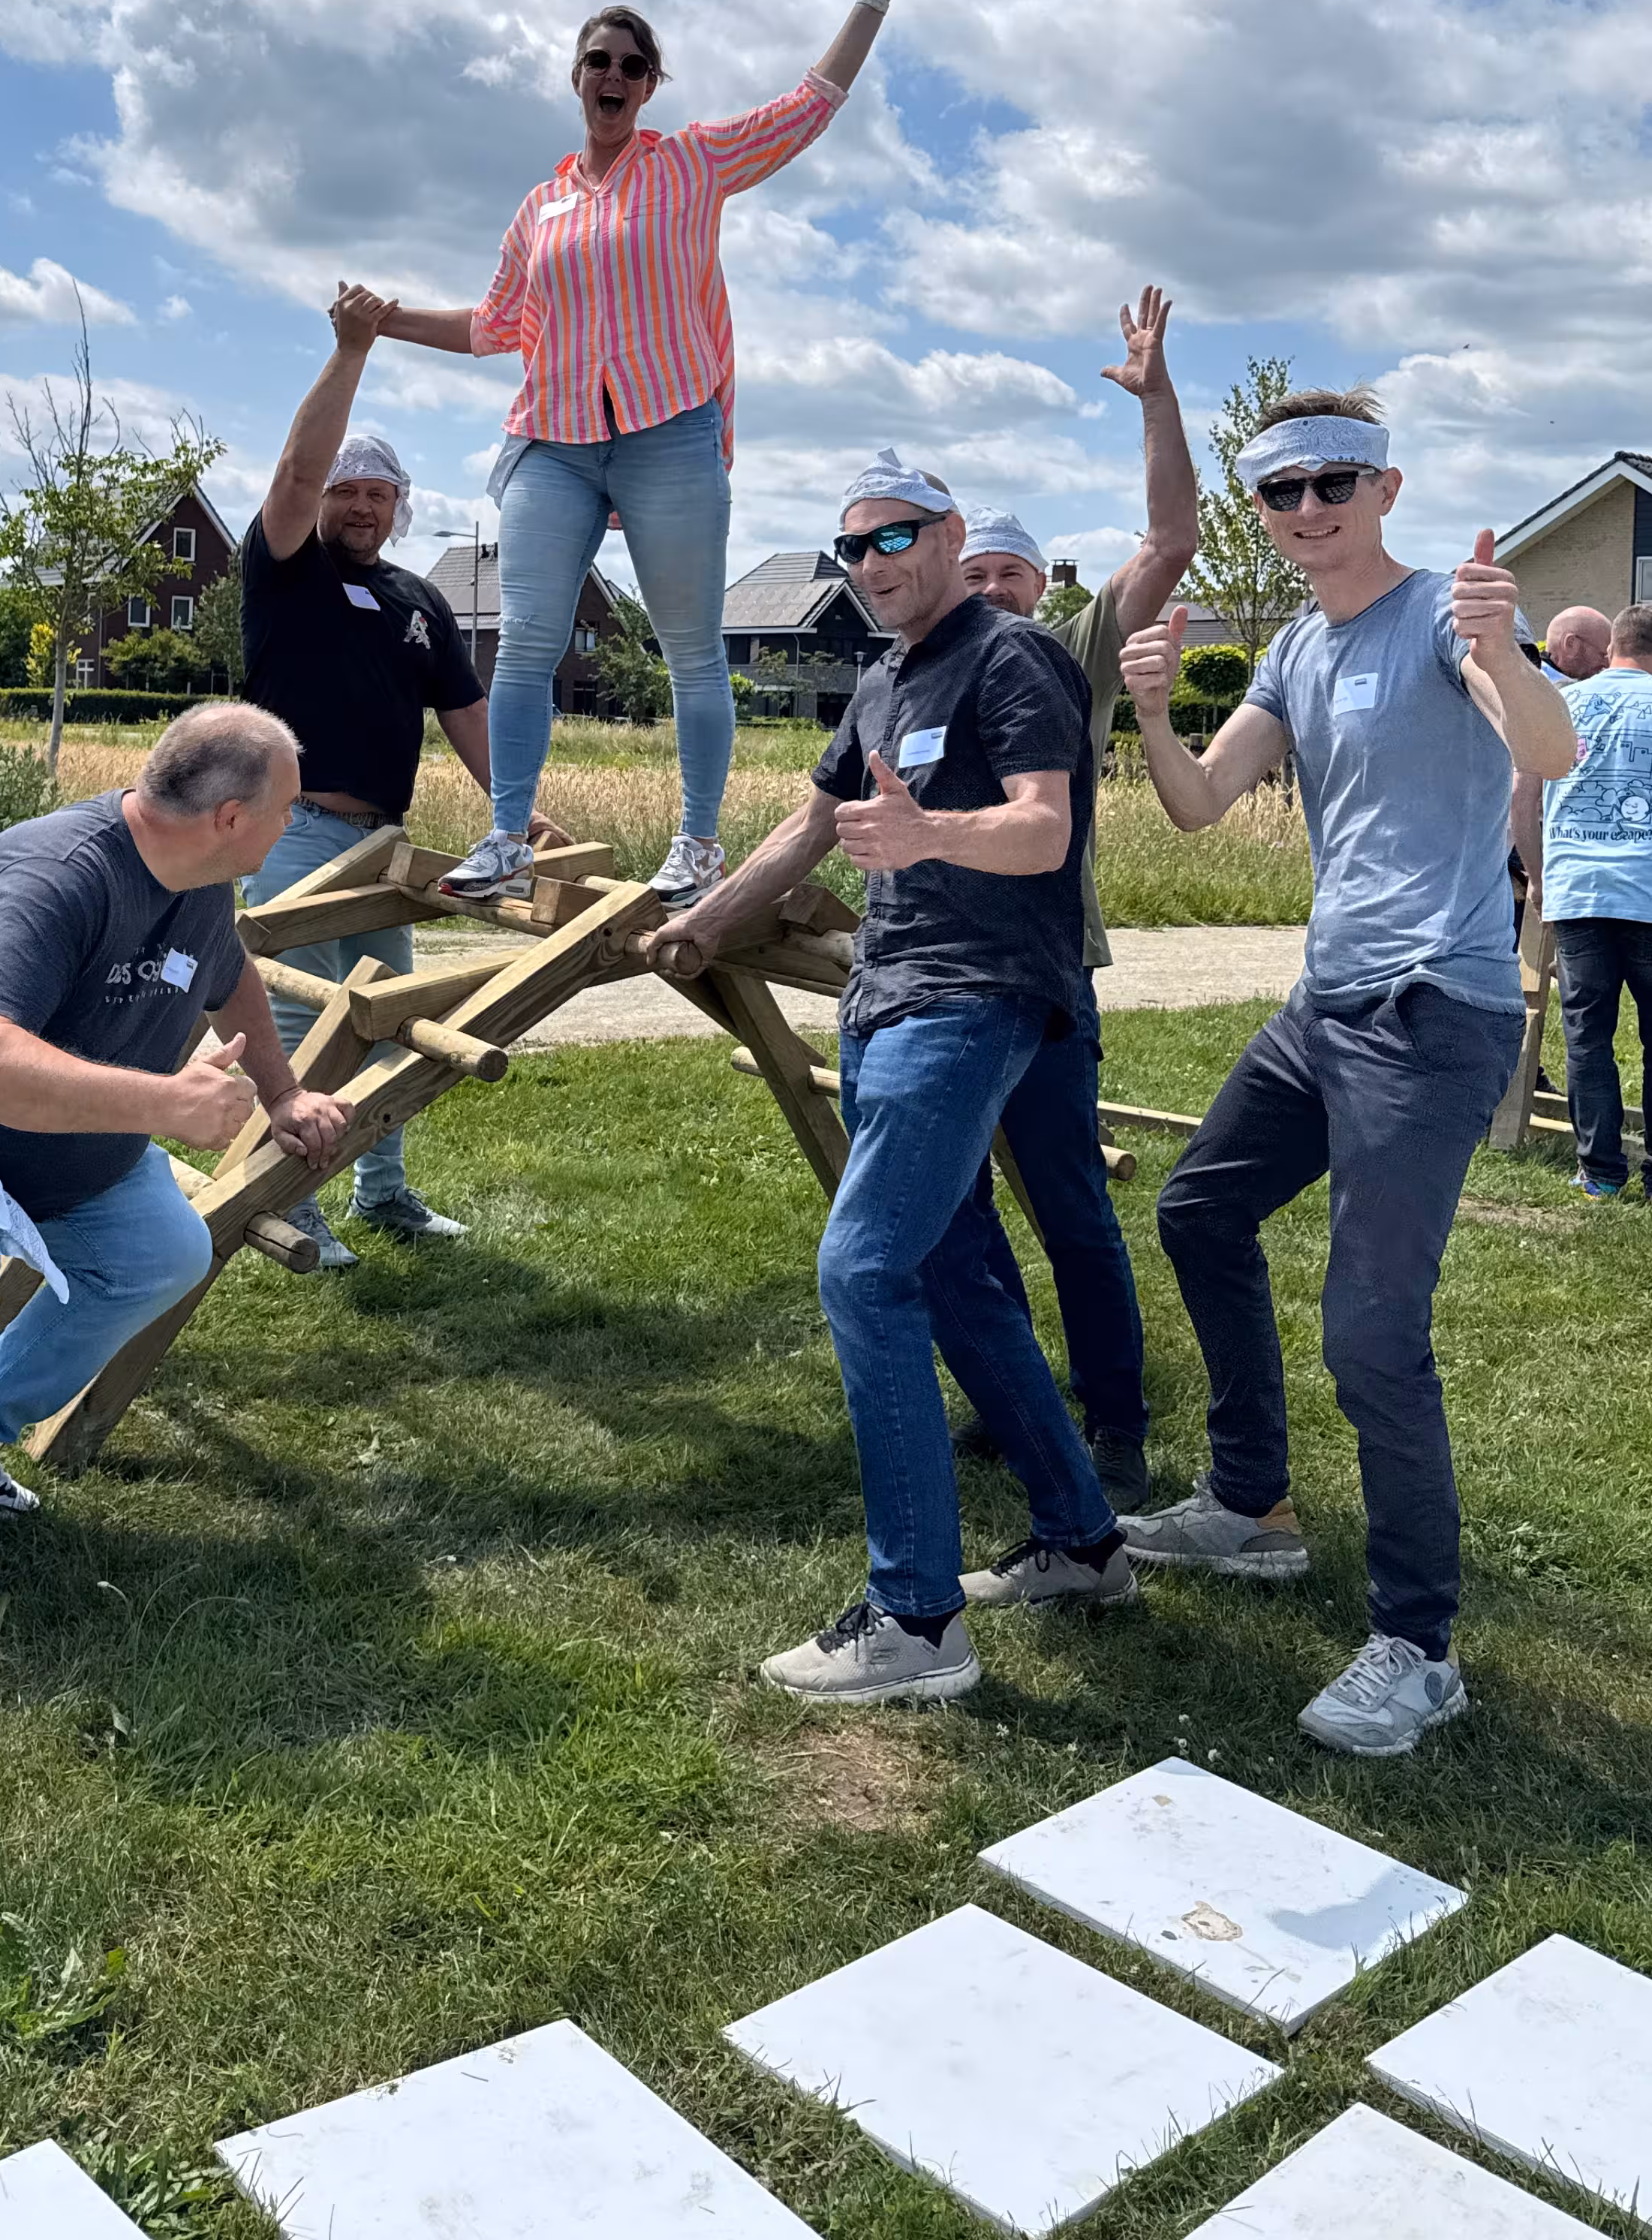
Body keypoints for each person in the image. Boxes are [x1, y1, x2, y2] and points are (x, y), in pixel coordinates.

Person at [1116, 390, 1575, 1757]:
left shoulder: (1445, 611)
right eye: (1279, 492)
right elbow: (1197, 806)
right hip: (1322, 1008)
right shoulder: (1292, 649)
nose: (1306, 509)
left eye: (1333, 482)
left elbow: (1542, 751)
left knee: (1371, 1335)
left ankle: (1416, 1646)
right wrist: (1146, 709)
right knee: (1196, 1208)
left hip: (1432, 1014)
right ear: (1258, 514)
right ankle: (1249, 1504)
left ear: (1384, 487)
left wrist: (1504, 647)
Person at [645, 460, 1136, 1708]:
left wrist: (929, 834)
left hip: (971, 996)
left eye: (897, 537)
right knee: (953, 1276)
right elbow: (805, 828)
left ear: (949, 536)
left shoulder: (1009, 654)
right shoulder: (878, 677)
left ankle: (914, 1621)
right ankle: (1078, 1543)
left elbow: (1043, 828)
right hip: (885, 997)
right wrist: (704, 919)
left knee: (861, 1268)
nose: (871, 561)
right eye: (851, 546)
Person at [362, 0, 907, 912]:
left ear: (650, 84)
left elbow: (810, 105)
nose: (610, 76)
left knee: (690, 645)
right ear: (576, 80)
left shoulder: (692, 163)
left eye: (629, 64)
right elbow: (493, 326)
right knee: (526, 639)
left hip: (670, 432)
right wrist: (381, 318)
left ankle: (698, 845)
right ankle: (507, 839)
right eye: (595, 61)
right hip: (553, 442)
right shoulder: (541, 208)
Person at [0, 706, 349, 1607]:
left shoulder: (199, 878)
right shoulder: (57, 874)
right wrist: (166, 1103)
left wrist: (283, 1095)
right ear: (231, 817)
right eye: (288, 806)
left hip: (25, 1127)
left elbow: (226, 969)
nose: (294, 823)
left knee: (161, 1254)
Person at [240, 282, 560, 1266]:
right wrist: (351, 353)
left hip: (385, 844)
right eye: (349, 489)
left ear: (398, 506)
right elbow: (294, 473)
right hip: (295, 828)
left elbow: (465, 710)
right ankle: (292, 1203)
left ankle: (384, 1194)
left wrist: (517, 812)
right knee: (297, 1016)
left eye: (379, 492)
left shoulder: (418, 600)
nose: (363, 505)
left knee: (387, 1018)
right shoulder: (283, 566)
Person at [943, 285, 1199, 1511]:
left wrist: (1154, 399)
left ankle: (1113, 1422)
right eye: (972, 570)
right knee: (954, 1203)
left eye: (1010, 571)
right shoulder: (912, 665)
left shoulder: (1068, 653)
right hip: (935, 981)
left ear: (1040, 586)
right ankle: (1010, 1394)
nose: (991, 588)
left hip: (1041, 978)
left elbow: (1166, 544)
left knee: (1066, 1201)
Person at [1520, 599, 1652, 1202]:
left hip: (1580, 890)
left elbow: (1524, 797)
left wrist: (1540, 876)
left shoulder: (1562, 704)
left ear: (1615, 645)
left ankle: (1600, 1171)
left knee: (1587, 1036)